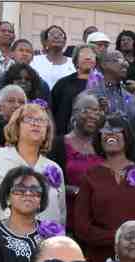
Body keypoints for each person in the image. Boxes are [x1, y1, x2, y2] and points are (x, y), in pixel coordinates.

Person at [75, 117, 135, 262]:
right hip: (101, 261)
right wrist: (120, 238)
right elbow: (82, 226)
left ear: (127, 136)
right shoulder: (90, 176)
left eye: (117, 130)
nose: (111, 134)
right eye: (105, 130)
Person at [0, 103, 65, 233]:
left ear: (47, 131)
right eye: (29, 119)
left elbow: (60, 216)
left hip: (41, 249)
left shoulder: (54, 169)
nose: (36, 124)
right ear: (16, 126)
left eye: (42, 121)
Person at [47, 93, 104, 235]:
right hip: (67, 221)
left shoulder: (103, 146)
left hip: (97, 222)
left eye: (96, 111)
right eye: (86, 110)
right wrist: (75, 191)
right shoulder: (58, 145)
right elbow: (48, 183)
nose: (92, 115)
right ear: (74, 113)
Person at [0, 39, 51, 112]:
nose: (25, 54)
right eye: (21, 50)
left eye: (28, 51)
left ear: (32, 57)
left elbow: (47, 111)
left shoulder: (41, 84)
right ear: (12, 54)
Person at [52, 45, 97, 135]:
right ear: (75, 61)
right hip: (65, 135)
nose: (88, 58)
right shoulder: (63, 83)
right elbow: (53, 108)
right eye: (83, 55)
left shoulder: (102, 84)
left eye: (91, 55)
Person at [85, 51, 135, 122]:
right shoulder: (90, 94)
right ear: (104, 64)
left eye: (125, 61)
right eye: (119, 60)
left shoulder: (132, 99)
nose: (126, 64)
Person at [31, 25, 76, 90]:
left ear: (64, 42)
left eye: (60, 35)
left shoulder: (73, 63)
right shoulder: (34, 61)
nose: (56, 36)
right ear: (45, 42)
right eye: (52, 34)